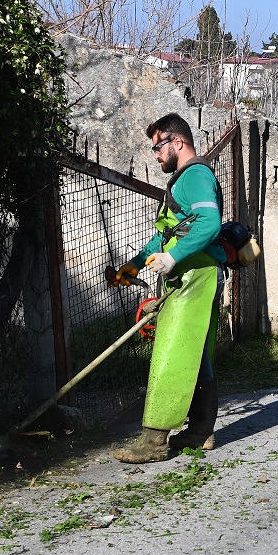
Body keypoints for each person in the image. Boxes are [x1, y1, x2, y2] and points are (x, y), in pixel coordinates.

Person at [107, 113, 228, 463]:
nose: (155, 155)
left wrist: (173, 259)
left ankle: (154, 442)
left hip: (197, 276)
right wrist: (133, 265)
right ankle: (200, 431)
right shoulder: (182, 182)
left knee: (172, 352)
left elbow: (209, 221)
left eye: (158, 147)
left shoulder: (195, 175)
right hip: (196, 275)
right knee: (197, 355)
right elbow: (165, 236)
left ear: (178, 142)